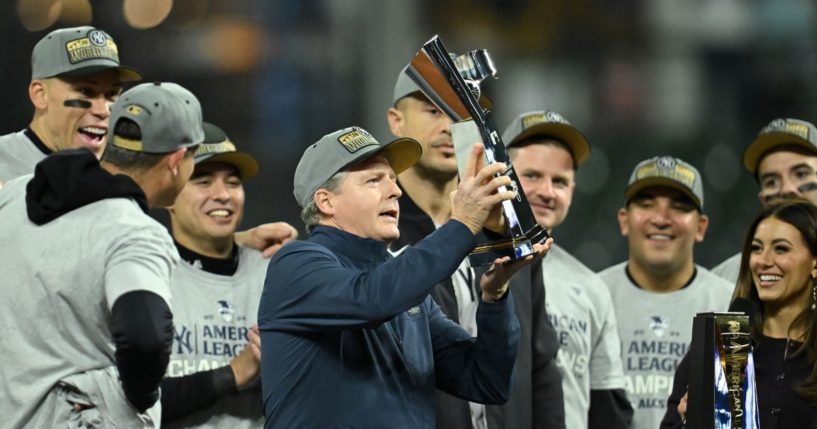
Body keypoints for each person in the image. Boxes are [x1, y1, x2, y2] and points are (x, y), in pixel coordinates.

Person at [258, 126, 552, 428]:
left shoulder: (407, 294)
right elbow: (371, 300)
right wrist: (462, 223)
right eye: (373, 180)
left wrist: (495, 297)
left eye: (393, 180)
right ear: (326, 202)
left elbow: (486, 381)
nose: (395, 191)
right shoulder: (295, 265)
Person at [0, 82, 203, 427]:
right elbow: (146, 338)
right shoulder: (135, 232)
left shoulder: (19, 192)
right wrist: (140, 399)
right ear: (177, 160)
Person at [386, 71, 564, 428]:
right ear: (396, 120)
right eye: (433, 110)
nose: (448, 126)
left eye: (461, 113)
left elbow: (540, 365)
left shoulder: (508, 225)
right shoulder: (376, 232)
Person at [502, 110, 633, 429]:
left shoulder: (590, 288)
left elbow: (607, 409)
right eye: (531, 175)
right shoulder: (465, 266)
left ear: (573, 192)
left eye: (559, 181)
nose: (547, 192)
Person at [162, 123, 294, 427]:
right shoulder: (146, 276)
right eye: (203, 181)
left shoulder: (273, 275)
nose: (222, 194)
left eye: (233, 183)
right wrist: (234, 372)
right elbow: (129, 400)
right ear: (169, 194)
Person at [598, 155, 734, 429]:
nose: (661, 219)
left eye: (679, 207)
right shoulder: (592, 296)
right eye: (646, 205)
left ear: (701, 227)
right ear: (624, 220)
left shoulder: (730, 304)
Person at [663, 200, 817, 428]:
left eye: (781, 248)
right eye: (756, 248)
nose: (763, 261)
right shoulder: (720, 345)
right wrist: (690, 422)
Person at [0, 26, 140, 184]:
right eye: (86, 91)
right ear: (40, 95)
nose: (103, 111)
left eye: (111, 94)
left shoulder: (117, 177)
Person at [713, 118, 817, 283]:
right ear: (763, 200)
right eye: (771, 182)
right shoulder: (726, 280)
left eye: (801, 174)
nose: (786, 189)